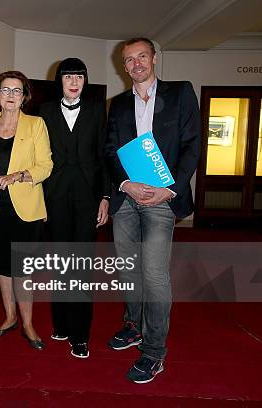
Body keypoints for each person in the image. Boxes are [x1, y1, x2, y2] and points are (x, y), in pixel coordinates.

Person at [104, 38, 201, 383]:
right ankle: (133, 326)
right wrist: (124, 185)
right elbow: (111, 150)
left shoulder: (180, 93)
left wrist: (169, 188)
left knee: (155, 275)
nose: (136, 63)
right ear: (124, 66)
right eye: (129, 60)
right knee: (129, 269)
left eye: (141, 56)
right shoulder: (116, 104)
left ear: (154, 59)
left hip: (162, 198)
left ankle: (154, 352)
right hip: (127, 199)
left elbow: (192, 145)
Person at [0, 71, 53, 350]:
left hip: (25, 208)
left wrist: (18, 175)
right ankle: (9, 318)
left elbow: (46, 165)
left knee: (23, 269)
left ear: (24, 96)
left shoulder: (36, 124)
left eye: (16, 91)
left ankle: (29, 324)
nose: (10, 95)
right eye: (5, 90)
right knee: (2, 266)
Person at [39, 58, 110, 359]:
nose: (73, 81)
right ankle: (62, 324)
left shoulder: (96, 110)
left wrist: (105, 197)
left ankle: (80, 335)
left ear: (85, 80)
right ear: (60, 80)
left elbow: (104, 155)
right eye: (68, 76)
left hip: (86, 198)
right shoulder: (44, 111)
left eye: (79, 76)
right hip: (54, 196)